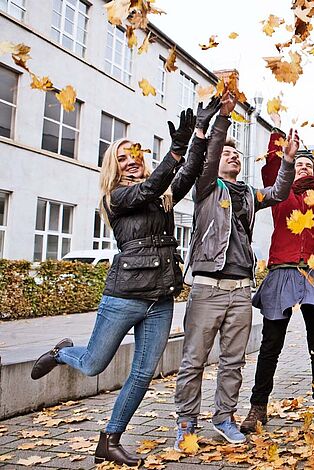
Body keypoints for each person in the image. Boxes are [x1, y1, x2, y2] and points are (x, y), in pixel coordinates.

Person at [29, 103, 206, 465]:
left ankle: (110, 438)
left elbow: (185, 176)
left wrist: (199, 136)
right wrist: (174, 151)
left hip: (160, 298)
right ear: (114, 165)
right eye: (123, 158)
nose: (131, 161)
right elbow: (149, 188)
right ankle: (62, 352)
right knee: (94, 364)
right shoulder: (116, 198)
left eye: (136, 155)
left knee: (142, 373)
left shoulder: (163, 197)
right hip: (124, 297)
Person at [173, 95, 299, 449]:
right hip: (207, 287)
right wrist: (223, 122)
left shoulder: (246, 193)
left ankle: (224, 418)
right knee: (194, 360)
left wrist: (287, 160)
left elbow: (278, 191)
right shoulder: (206, 188)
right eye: (229, 154)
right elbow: (209, 157)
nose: (233, 157)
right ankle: (186, 421)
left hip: (241, 288)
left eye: (237, 155)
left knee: (233, 361)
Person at [240, 112, 314, 432]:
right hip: (281, 271)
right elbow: (270, 168)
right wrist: (277, 135)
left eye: (309, 165)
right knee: (270, 344)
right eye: (299, 164)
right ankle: (257, 408)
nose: (304, 167)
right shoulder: (279, 196)